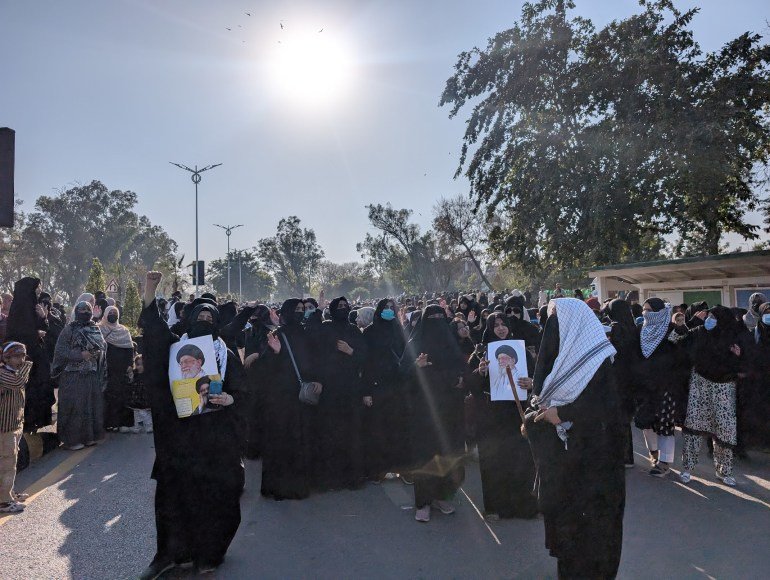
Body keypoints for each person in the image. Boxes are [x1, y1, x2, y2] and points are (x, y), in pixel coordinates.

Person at [139, 272, 245, 578]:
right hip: (179, 441)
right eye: (200, 315)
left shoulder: (224, 354)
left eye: (210, 318)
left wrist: (230, 400)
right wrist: (150, 289)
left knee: (214, 498)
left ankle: (209, 553)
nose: (205, 321)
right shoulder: (175, 348)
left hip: (214, 443)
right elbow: (154, 329)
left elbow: (243, 392)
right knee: (173, 496)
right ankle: (171, 554)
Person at [524, 298, 625, 579]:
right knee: (569, 548)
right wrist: (539, 418)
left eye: (556, 321)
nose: (550, 328)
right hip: (563, 470)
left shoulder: (597, 362)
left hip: (593, 470)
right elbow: (541, 400)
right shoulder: (562, 361)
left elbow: (607, 413)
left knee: (590, 544)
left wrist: (564, 413)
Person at [400, 304, 467, 523]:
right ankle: (423, 502)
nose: (438, 320)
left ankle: (442, 496)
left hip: (450, 410)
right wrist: (416, 367)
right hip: (424, 412)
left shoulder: (451, 342)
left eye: (441, 316)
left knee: (448, 455)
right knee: (425, 456)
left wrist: (461, 381)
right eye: (433, 317)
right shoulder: (415, 344)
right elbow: (402, 376)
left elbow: (463, 370)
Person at [469, 313, 537, 520]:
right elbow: (471, 385)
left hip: (516, 413)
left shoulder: (522, 351)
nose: (500, 328)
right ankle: (497, 507)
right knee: (495, 459)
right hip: (491, 416)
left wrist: (531, 383)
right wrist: (480, 372)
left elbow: (537, 379)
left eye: (503, 324)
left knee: (521, 457)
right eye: (496, 325)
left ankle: (525, 506)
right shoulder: (482, 353)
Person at [671, 306, 745, 486]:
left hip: (725, 386)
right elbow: (674, 339)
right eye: (708, 316)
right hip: (700, 383)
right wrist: (691, 322)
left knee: (725, 430)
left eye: (713, 317)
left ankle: (724, 472)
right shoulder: (698, 332)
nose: (709, 320)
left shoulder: (734, 337)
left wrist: (738, 356)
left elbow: (745, 366)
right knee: (694, 427)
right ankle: (687, 468)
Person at [259, 299, 322, 501]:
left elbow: (316, 360)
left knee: (301, 440)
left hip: (303, 397)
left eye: (302, 310)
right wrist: (275, 352)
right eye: (296, 310)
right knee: (282, 440)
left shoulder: (307, 334)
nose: (300, 313)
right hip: (281, 398)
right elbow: (265, 368)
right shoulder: (278, 335)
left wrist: (319, 380)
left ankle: (299, 485)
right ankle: (280, 487)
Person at [314, 297, 367, 491]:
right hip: (329, 389)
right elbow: (317, 354)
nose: (343, 309)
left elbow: (364, 356)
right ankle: (331, 477)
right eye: (340, 307)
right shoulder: (326, 328)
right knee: (330, 432)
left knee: (351, 432)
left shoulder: (353, 330)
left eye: (346, 306)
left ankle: (351, 476)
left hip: (350, 388)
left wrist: (350, 350)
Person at [635, 298, 688, 477]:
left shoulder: (670, 331)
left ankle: (664, 462)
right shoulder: (641, 330)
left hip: (667, 386)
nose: (646, 313)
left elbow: (681, 355)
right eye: (644, 310)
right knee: (646, 423)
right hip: (646, 387)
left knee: (665, 425)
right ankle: (653, 454)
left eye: (649, 310)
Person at [361, 298, 409, 481]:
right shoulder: (370, 332)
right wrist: (366, 391)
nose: (389, 310)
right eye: (385, 308)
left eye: (391, 308)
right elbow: (366, 363)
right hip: (377, 386)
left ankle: (401, 468)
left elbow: (406, 356)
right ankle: (379, 470)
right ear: (378, 311)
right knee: (378, 429)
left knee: (398, 428)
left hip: (398, 385)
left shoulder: (400, 331)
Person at [52, 302, 107, 450]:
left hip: (91, 373)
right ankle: (73, 440)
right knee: (75, 408)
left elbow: (102, 346)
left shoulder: (95, 327)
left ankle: (89, 437)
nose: (85, 312)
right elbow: (60, 351)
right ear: (76, 312)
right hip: (72, 376)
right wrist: (79, 355)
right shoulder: (68, 329)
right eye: (82, 310)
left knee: (90, 406)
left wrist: (96, 352)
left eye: (88, 310)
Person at [6, 277, 54, 432]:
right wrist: (35, 334)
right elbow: (17, 334)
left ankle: (37, 423)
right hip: (22, 360)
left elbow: (45, 330)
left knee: (40, 389)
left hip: (38, 358)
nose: (37, 292)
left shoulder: (35, 307)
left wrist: (43, 317)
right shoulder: (18, 308)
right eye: (34, 289)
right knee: (27, 392)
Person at [0, 342, 33, 514]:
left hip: (13, 424)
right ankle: (4, 501)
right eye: (17, 356)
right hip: (4, 428)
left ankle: (8, 493)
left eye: (23, 355)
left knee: (11, 461)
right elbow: (18, 382)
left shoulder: (12, 371)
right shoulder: (4, 374)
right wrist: (27, 365)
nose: (21, 359)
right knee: (6, 463)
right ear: (7, 357)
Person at [99, 306, 135, 432]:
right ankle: (105, 423)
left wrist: (130, 366)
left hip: (120, 370)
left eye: (115, 313)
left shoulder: (123, 330)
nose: (113, 315)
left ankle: (117, 422)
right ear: (105, 314)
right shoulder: (100, 328)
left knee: (119, 395)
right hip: (104, 369)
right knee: (105, 396)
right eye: (110, 313)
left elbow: (130, 349)